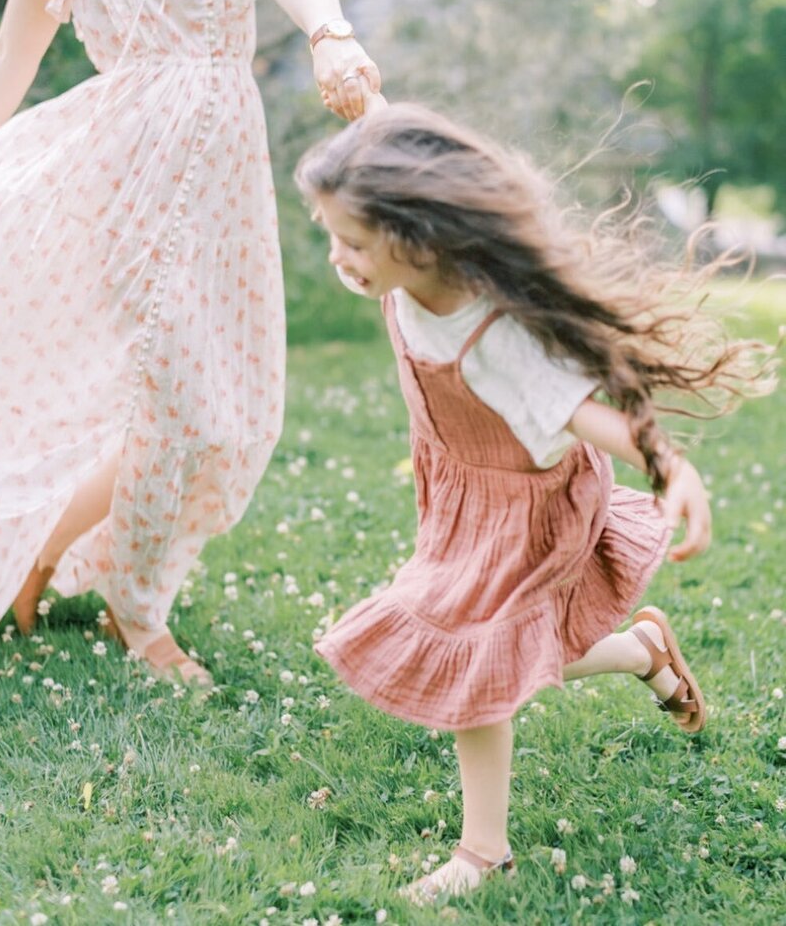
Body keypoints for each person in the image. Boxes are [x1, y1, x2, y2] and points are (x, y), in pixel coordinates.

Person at [295, 103, 777, 901]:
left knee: (472, 655)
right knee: (496, 647)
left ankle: (484, 855)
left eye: (350, 241)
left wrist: (669, 466)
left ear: (418, 241)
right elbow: (394, 161)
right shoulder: (410, 255)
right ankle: (641, 653)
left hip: (528, 507)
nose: (338, 256)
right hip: (463, 494)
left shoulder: (500, 338)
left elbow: (590, 413)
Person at [0, 0, 381, 685]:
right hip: (122, 175)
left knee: (220, 416)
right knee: (176, 402)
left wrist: (330, 34)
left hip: (220, 174)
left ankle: (46, 548)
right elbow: (9, 60)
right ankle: (134, 610)